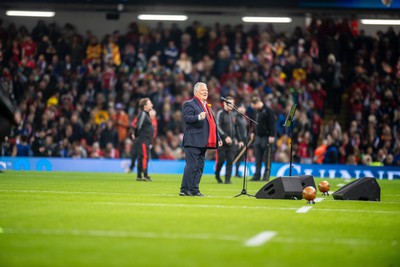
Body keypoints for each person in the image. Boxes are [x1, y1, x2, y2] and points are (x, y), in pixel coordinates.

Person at [180, 82, 222, 196]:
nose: (206, 92)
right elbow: (187, 118)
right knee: (192, 166)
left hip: (204, 141)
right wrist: (198, 117)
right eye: (203, 90)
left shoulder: (207, 106)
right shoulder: (189, 104)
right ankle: (184, 189)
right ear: (196, 91)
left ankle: (194, 189)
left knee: (199, 167)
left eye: (207, 90)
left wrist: (218, 137)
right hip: (193, 140)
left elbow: (212, 124)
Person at [215, 96, 244, 184]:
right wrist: (225, 136)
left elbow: (236, 129)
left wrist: (240, 140)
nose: (231, 105)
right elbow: (217, 126)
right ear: (224, 103)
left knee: (230, 160)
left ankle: (228, 179)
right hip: (222, 142)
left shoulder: (233, 114)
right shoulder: (220, 113)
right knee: (221, 160)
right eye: (229, 103)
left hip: (232, 142)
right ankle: (217, 174)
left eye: (232, 103)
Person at [250, 96, 276, 181]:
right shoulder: (257, 112)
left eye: (254, 106)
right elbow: (255, 123)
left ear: (257, 103)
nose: (254, 108)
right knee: (257, 158)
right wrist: (253, 132)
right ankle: (256, 175)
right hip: (258, 137)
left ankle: (266, 176)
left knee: (267, 158)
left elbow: (272, 123)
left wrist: (272, 135)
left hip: (266, 137)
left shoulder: (268, 111)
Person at [132, 98, 154, 181]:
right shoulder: (144, 114)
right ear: (145, 106)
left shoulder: (145, 114)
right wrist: (136, 135)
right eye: (150, 103)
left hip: (145, 139)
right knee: (144, 156)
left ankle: (139, 175)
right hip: (143, 139)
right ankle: (145, 174)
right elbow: (138, 126)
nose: (151, 105)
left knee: (141, 157)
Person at [234, 104, 247, 177]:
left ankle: (236, 172)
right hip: (238, 140)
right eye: (240, 107)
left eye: (243, 108)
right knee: (236, 156)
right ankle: (232, 172)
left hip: (243, 140)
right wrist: (238, 139)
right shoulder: (236, 116)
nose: (242, 109)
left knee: (240, 157)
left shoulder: (243, 117)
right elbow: (236, 129)